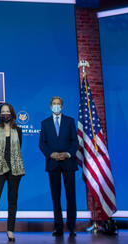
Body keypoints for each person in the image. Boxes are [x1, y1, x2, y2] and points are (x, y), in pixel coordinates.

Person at [0, 103, 25, 242]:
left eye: (7, 111)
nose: (5, 114)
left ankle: (10, 230)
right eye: (3, 111)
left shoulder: (18, 130)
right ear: (0, 114)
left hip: (15, 169)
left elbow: (19, 149)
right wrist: (0, 163)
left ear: (12, 114)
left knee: (12, 200)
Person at [38, 96, 78, 237]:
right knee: (56, 197)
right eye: (54, 104)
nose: (56, 106)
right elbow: (42, 143)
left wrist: (67, 154)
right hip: (53, 163)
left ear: (62, 106)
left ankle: (72, 227)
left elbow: (75, 142)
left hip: (68, 163)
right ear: (50, 106)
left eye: (58, 104)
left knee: (71, 196)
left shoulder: (70, 121)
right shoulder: (45, 123)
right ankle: (58, 227)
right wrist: (51, 154)